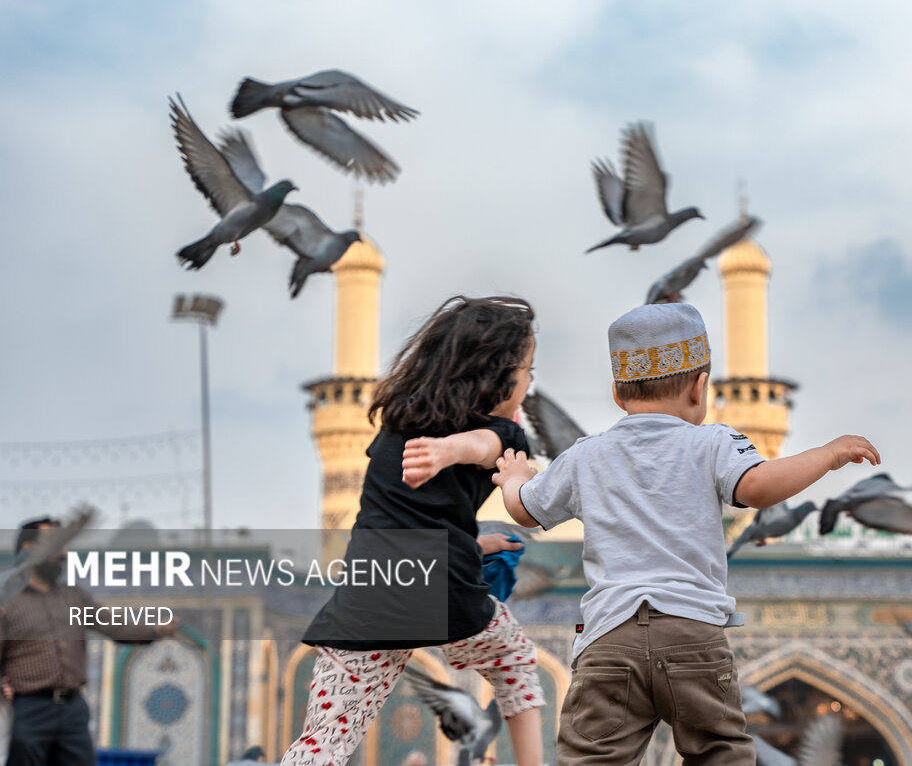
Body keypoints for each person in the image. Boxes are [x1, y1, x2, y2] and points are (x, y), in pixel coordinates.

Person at [486, 302, 881, 765]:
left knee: (591, 758)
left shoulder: (586, 455)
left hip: (609, 639)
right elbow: (757, 488)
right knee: (719, 753)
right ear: (700, 386)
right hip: (693, 635)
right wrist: (827, 454)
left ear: (618, 393)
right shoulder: (714, 442)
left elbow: (526, 511)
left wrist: (514, 476)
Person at [283, 296, 545, 766]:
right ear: (499, 375)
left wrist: (473, 542)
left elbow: (405, 518)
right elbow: (483, 446)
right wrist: (450, 452)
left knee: (324, 742)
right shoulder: (504, 434)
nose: (529, 381)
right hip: (440, 592)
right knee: (516, 663)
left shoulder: (394, 427)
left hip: (369, 599)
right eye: (527, 370)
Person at [0, 517, 176, 766]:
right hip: (29, 709)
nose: (63, 553)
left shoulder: (73, 597)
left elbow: (113, 625)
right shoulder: (8, 600)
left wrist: (154, 630)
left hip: (72, 709)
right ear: (29, 549)